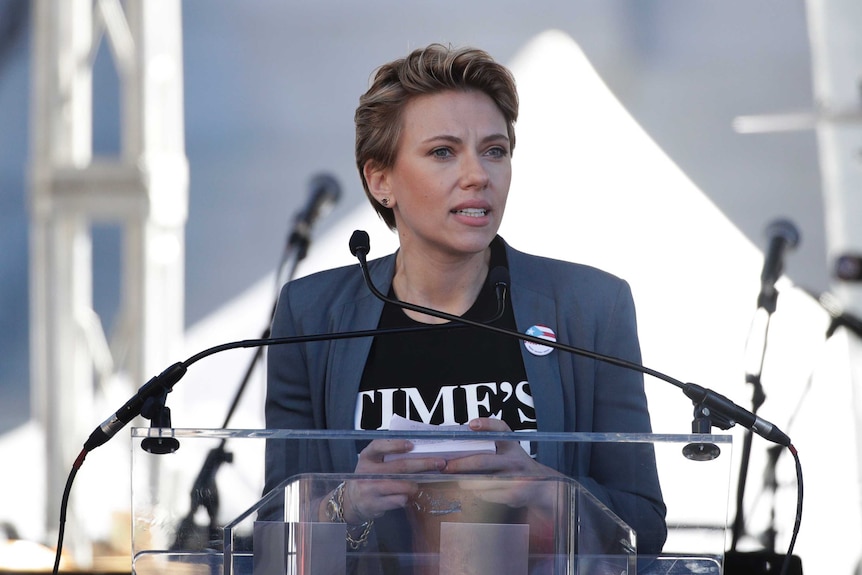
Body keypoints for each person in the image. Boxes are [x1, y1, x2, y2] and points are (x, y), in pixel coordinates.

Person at [262, 43, 667, 562]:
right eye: (443, 152)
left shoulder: (591, 307)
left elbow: (646, 527)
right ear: (380, 180)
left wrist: (547, 490)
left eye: (495, 150)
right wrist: (347, 502)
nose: (479, 174)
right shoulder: (312, 315)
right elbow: (272, 530)